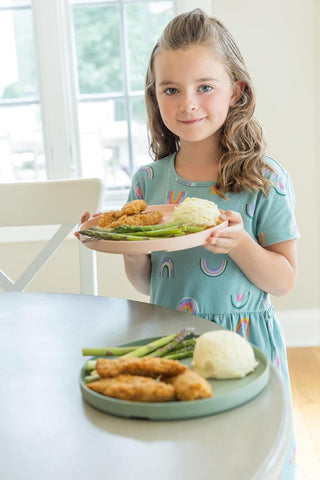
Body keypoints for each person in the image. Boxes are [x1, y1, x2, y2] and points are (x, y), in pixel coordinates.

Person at [122, 9, 299, 479]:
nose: (187, 104)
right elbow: (144, 282)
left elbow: (283, 281)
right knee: (186, 458)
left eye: (205, 86)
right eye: (171, 89)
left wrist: (241, 245)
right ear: (154, 95)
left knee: (249, 455)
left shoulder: (264, 180)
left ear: (236, 90)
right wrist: (125, 241)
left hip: (245, 341)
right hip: (172, 339)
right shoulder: (147, 183)